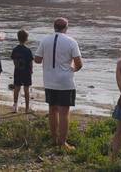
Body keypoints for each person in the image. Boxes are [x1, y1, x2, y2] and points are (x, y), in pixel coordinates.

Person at [34, 17, 83, 150]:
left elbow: (37, 59)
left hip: (49, 81)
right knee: (64, 112)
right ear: (66, 28)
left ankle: (54, 139)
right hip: (65, 81)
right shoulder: (71, 41)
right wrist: (72, 68)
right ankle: (63, 143)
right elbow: (79, 64)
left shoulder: (45, 40)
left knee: (52, 110)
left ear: (54, 27)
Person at [11, 29, 33, 113]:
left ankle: (15, 106)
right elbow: (30, 62)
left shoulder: (15, 49)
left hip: (18, 71)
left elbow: (14, 61)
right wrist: (31, 70)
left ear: (18, 38)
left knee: (16, 88)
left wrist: (17, 67)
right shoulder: (28, 50)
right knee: (26, 89)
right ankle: (27, 108)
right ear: (26, 39)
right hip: (26, 71)